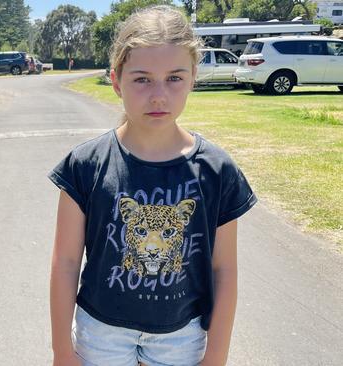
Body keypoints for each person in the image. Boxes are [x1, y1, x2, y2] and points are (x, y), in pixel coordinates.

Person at [48, 5, 256, 366]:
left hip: (182, 335)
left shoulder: (216, 169)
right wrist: (62, 351)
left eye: (174, 78)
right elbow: (65, 262)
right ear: (116, 81)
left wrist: (217, 356)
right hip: (101, 333)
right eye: (142, 79)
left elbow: (224, 270)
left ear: (193, 77)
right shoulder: (85, 164)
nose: (159, 95)